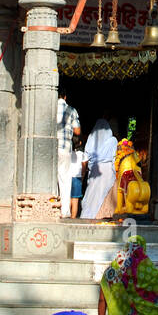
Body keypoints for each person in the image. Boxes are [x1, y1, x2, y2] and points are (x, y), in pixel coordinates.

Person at [80, 118, 118, 220]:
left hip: (96, 170)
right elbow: (115, 157)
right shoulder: (113, 140)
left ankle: (90, 216)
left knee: (93, 194)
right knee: (106, 192)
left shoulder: (91, 138)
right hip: (108, 170)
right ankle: (105, 214)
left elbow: (87, 154)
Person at [56, 88, 81, 219]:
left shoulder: (49, 107)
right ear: (65, 97)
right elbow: (77, 131)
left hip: (49, 147)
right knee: (64, 179)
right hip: (64, 147)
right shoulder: (71, 110)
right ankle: (64, 211)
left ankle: (51, 208)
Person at [68, 135, 85, 220]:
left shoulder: (68, 154)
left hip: (67, 178)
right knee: (75, 199)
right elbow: (84, 166)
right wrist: (82, 176)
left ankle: (67, 215)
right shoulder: (82, 154)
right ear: (80, 143)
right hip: (77, 178)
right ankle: (73, 217)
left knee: (68, 198)